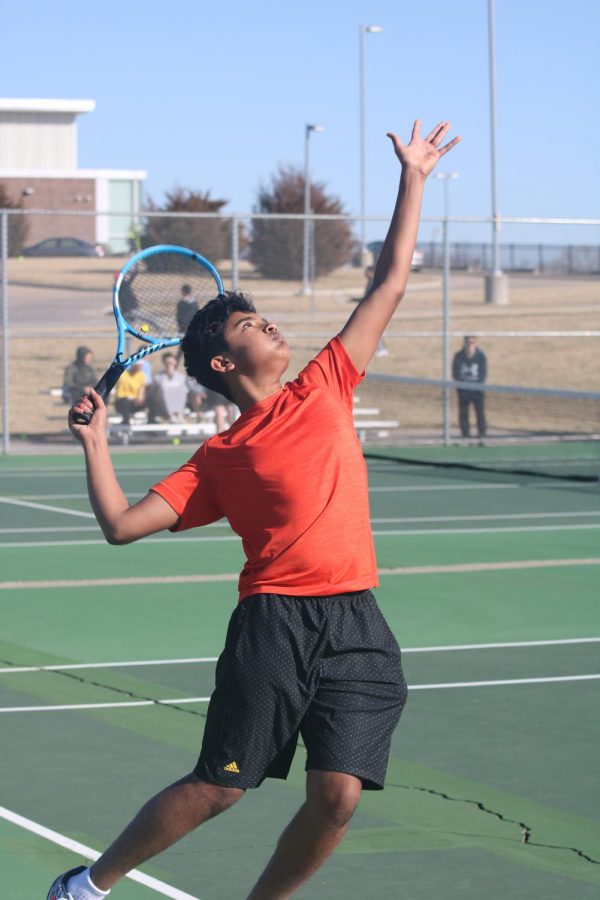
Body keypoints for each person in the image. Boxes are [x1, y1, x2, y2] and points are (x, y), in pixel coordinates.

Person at [48, 119, 459, 900]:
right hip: (274, 624)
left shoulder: (328, 381)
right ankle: (88, 885)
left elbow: (391, 281)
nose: (267, 322)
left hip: (358, 623)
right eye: (248, 323)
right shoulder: (220, 458)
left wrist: (415, 177)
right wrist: (95, 445)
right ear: (223, 361)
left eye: (261, 314)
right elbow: (121, 526)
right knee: (222, 786)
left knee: (338, 795)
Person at [452, 335, 487, 441]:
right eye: (468, 342)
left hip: (477, 390)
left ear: (475, 344)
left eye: (472, 342)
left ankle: (482, 434)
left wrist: (478, 385)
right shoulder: (458, 356)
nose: (470, 344)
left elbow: (483, 373)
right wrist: (460, 386)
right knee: (463, 413)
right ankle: (465, 434)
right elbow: (455, 372)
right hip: (463, 390)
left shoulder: (481, 356)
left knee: (480, 412)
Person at [147, 352, 188, 423]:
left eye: (171, 363)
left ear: (175, 362)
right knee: (164, 388)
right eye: (167, 363)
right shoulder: (158, 377)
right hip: (161, 405)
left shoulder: (180, 377)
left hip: (177, 404)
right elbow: (152, 392)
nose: (169, 365)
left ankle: (179, 414)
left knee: (182, 389)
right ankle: (171, 415)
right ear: (164, 363)